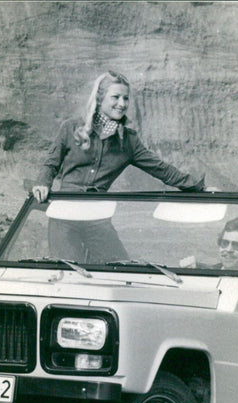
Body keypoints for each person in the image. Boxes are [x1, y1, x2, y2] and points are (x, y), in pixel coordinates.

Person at [31, 71, 208, 262]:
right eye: (115, 97)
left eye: (126, 98)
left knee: (118, 266)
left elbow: (161, 169)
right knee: (66, 270)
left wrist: (199, 187)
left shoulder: (129, 141)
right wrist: (42, 183)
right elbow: (51, 163)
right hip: (64, 214)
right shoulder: (71, 128)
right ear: (99, 99)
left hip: (97, 216)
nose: (122, 104)